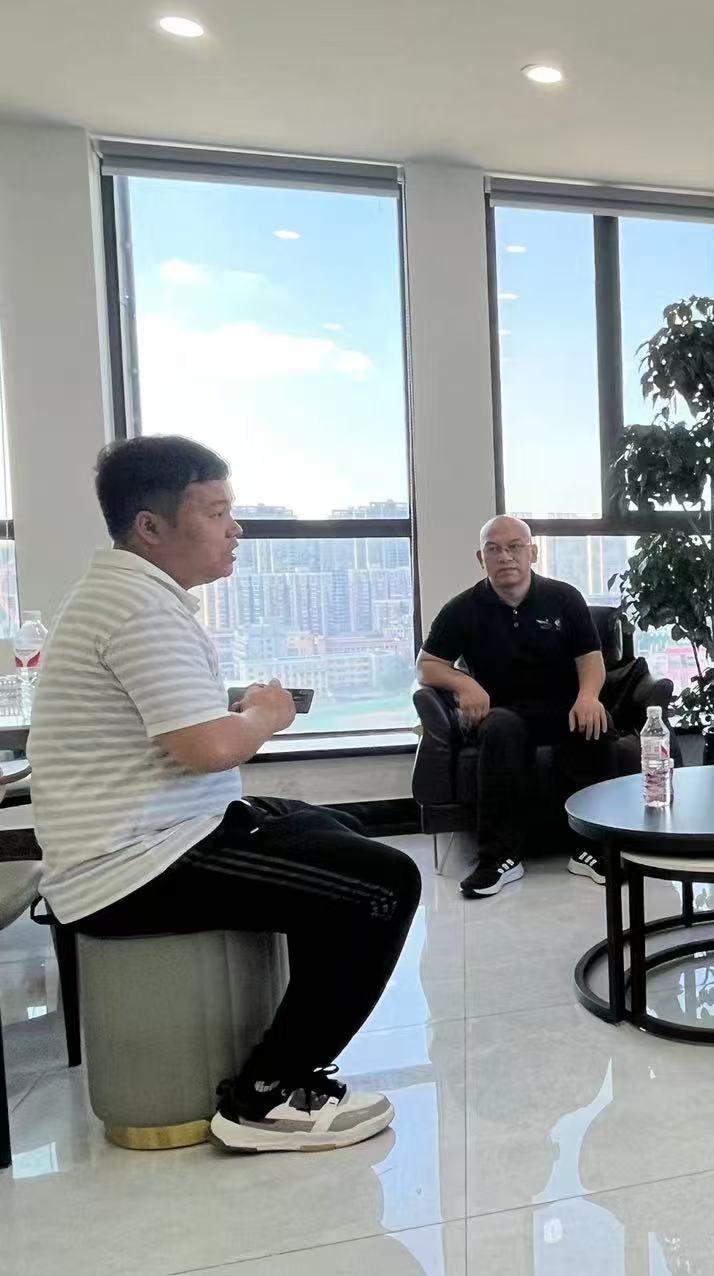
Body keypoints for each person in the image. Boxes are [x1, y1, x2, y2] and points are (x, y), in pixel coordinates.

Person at [31, 436, 421, 1154]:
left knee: (336, 828)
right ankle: (267, 1095)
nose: (234, 528)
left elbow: (184, 733)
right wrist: (265, 716)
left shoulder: (131, 595)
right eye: (215, 513)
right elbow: (208, 749)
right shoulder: (136, 607)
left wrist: (236, 714)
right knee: (384, 884)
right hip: (132, 867)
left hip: (166, 832)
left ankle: (287, 1046)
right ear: (150, 526)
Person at [416, 515, 615, 898]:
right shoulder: (463, 608)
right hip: (503, 712)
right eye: (493, 549)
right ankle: (499, 859)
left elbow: (590, 659)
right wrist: (465, 683)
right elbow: (427, 666)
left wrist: (588, 696)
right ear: (481, 558)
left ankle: (592, 849)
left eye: (514, 547)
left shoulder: (564, 598)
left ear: (532, 553)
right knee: (499, 730)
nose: (505, 556)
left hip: (563, 706)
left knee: (595, 722)